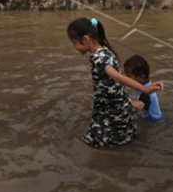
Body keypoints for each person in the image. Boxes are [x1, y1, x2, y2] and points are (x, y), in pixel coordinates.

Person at [67, 17, 164, 148]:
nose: (74, 47)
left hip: (110, 111)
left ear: (86, 40)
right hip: (121, 107)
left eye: (74, 43)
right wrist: (130, 101)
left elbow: (118, 77)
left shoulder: (98, 59)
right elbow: (117, 82)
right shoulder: (107, 51)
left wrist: (145, 89)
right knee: (124, 140)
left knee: (94, 144)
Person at [124, 55, 163, 122]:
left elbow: (137, 108)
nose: (126, 78)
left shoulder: (145, 94)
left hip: (153, 121)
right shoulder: (147, 86)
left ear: (141, 77)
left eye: (129, 76)